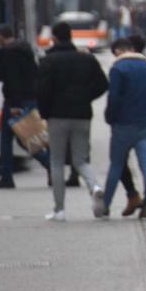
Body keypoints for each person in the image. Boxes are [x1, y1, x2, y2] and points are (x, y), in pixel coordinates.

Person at [36, 22, 108, 220]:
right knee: (80, 160)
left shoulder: (48, 61)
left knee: (57, 161)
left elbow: (41, 91)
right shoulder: (87, 59)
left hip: (57, 116)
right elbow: (103, 84)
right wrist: (86, 97)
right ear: (71, 36)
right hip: (82, 114)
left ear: (55, 37)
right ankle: (94, 185)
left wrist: (45, 113)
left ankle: (59, 210)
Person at [98, 37, 146, 219]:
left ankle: (106, 205)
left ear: (119, 51)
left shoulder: (119, 69)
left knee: (116, 165)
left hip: (123, 125)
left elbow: (114, 98)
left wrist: (110, 117)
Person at [0, 25, 50, 188]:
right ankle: (52, 167)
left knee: (7, 140)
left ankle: (7, 177)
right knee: (28, 137)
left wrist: (14, 104)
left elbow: (12, 79)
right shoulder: (25, 49)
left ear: (1, 36)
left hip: (15, 101)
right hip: (31, 98)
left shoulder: (7, 52)